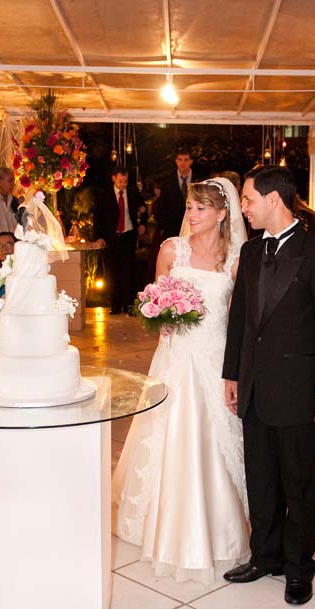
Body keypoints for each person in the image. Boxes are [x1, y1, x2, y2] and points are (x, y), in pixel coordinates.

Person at [112, 178, 250, 584]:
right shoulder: (172, 250)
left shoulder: (237, 259)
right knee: (170, 434)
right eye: (190, 207)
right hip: (176, 358)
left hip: (215, 357)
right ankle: (163, 527)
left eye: (200, 209)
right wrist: (163, 317)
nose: (191, 215)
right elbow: (153, 301)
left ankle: (223, 530)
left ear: (222, 214)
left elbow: (237, 315)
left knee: (218, 436)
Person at [222, 165, 315, 605]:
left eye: (248, 199)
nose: (244, 208)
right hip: (255, 388)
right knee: (261, 478)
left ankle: (298, 567)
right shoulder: (252, 253)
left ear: (274, 200)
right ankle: (265, 556)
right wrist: (231, 374)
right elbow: (239, 319)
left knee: (300, 482)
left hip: (300, 391)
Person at [93, 166, 147, 315]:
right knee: (113, 272)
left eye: (126, 181)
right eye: (121, 180)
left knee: (128, 271)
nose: (123, 183)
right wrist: (99, 236)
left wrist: (143, 223)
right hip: (112, 237)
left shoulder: (133, 192)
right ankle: (115, 305)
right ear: (114, 178)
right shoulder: (105, 195)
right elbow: (97, 217)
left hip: (128, 235)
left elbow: (143, 208)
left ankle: (129, 305)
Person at [159, 149, 200, 239]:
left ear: (191, 161)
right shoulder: (167, 180)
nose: (182, 163)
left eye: (186, 160)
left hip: (193, 226)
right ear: (176, 161)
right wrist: (162, 227)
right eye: (180, 159)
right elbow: (162, 205)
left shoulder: (199, 180)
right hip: (172, 228)